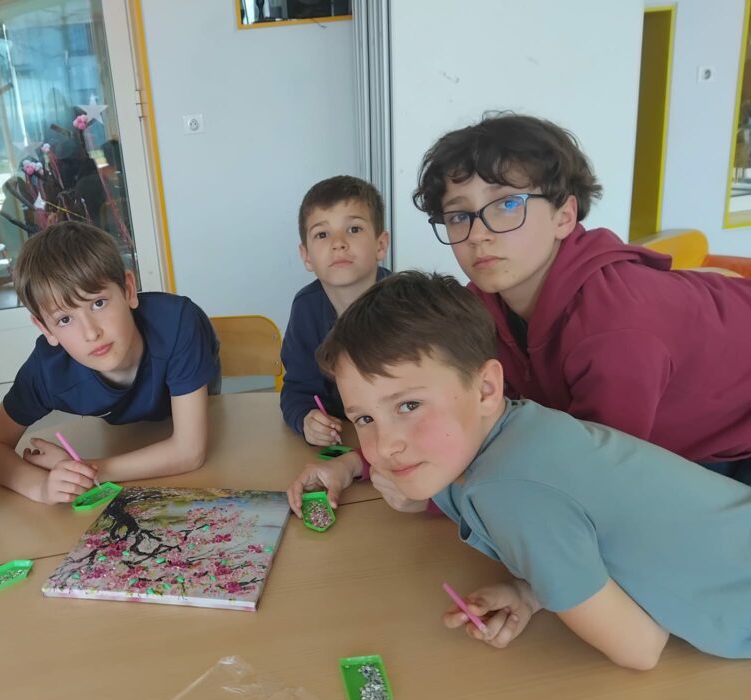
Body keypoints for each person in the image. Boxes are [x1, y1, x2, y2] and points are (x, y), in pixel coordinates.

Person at [289, 271, 751, 669]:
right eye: (363, 418)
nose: (385, 445)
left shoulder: (507, 491)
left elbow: (641, 648)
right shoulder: (516, 428)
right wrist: (534, 590)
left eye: (408, 405)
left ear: (487, 388)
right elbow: (591, 531)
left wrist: (556, 581)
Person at [413, 112, 751, 484]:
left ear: (564, 216)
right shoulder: (480, 306)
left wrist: (443, 491)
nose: (478, 234)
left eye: (507, 204)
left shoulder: (614, 329)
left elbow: (594, 478)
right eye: (459, 216)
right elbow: (437, 399)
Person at [0, 221, 220, 505]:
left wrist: (87, 469)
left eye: (98, 303)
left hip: (191, 409)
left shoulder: (178, 323)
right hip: (125, 434)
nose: (91, 333)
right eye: (64, 319)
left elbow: (190, 451)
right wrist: (42, 486)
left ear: (128, 290)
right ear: (45, 329)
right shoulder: (47, 371)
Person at [281, 175, 391, 446]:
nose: (338, 243)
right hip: (341, 441)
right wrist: (306, 419)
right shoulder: (306, 308)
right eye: (322, 234)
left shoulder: (408, 304)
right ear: (306, 256)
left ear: (380, 245)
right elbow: (297, 388)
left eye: (353, 229)